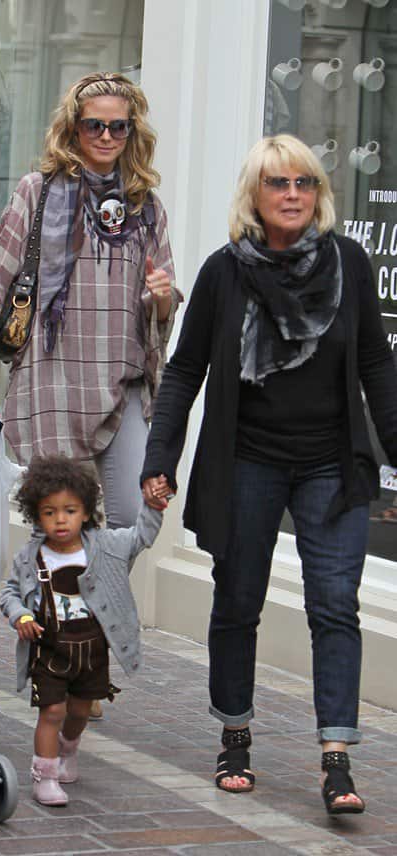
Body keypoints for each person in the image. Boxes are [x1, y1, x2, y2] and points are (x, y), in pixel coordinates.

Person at [140, 134, 397, 814]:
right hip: (247, 460)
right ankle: (235, 733)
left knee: (335, 604)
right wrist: (160, 459)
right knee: (237, 601)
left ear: (319, 194)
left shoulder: (349, 263)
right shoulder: (226, 272)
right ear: (254, 196)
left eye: (305, 183)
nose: (293, 195)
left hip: (331, 465)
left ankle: (336, 757)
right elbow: (186, 370)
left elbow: (376, 362)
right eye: (278, 183)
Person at [0, 71, 182, 533]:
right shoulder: (36, 191)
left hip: (121, 381)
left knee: (129, 520)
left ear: (132, 132)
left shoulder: (145, 205)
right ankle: (54, 606)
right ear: (74, 128)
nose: (106, 136)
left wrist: (163, 297)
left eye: (118, 127)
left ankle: (83, 603)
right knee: (58, 525)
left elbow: (159, 311)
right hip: (54, 379)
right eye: (94, 126)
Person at [0, 454, 162, 806]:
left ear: (86, 511)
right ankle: (44, 776)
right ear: (35, 514)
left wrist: (152, 507)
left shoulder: (105, 547)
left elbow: (141, 537)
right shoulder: (31, 556)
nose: (60, 520)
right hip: (50, 649)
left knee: (78, 712)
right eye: (49, 512)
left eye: (70, 511)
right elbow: (10, 592)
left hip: (91, 650)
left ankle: (67, 749)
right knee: (52, 712)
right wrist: (20, 616)